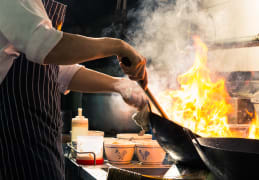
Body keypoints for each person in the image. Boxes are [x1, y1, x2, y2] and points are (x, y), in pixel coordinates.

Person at [0, 0, 148, 179]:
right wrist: (117, 46)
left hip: (39, 134)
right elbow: (46, 46)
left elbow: (57, 70)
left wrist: (118, 84)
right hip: (14, 134)